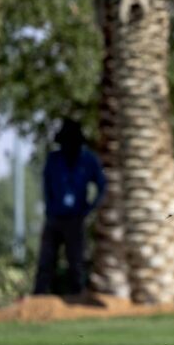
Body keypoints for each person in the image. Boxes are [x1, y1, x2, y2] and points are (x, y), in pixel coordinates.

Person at [34, 118, 107, 296]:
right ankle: (39, 296)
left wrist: (90, 208)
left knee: (76, 261)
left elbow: (101, 185)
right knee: (46, 260)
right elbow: (46, 185)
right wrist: (49, 207)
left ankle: (76, 296)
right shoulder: (54, 160)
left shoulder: (88, 160)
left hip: (75, 218)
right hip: (54, 217)